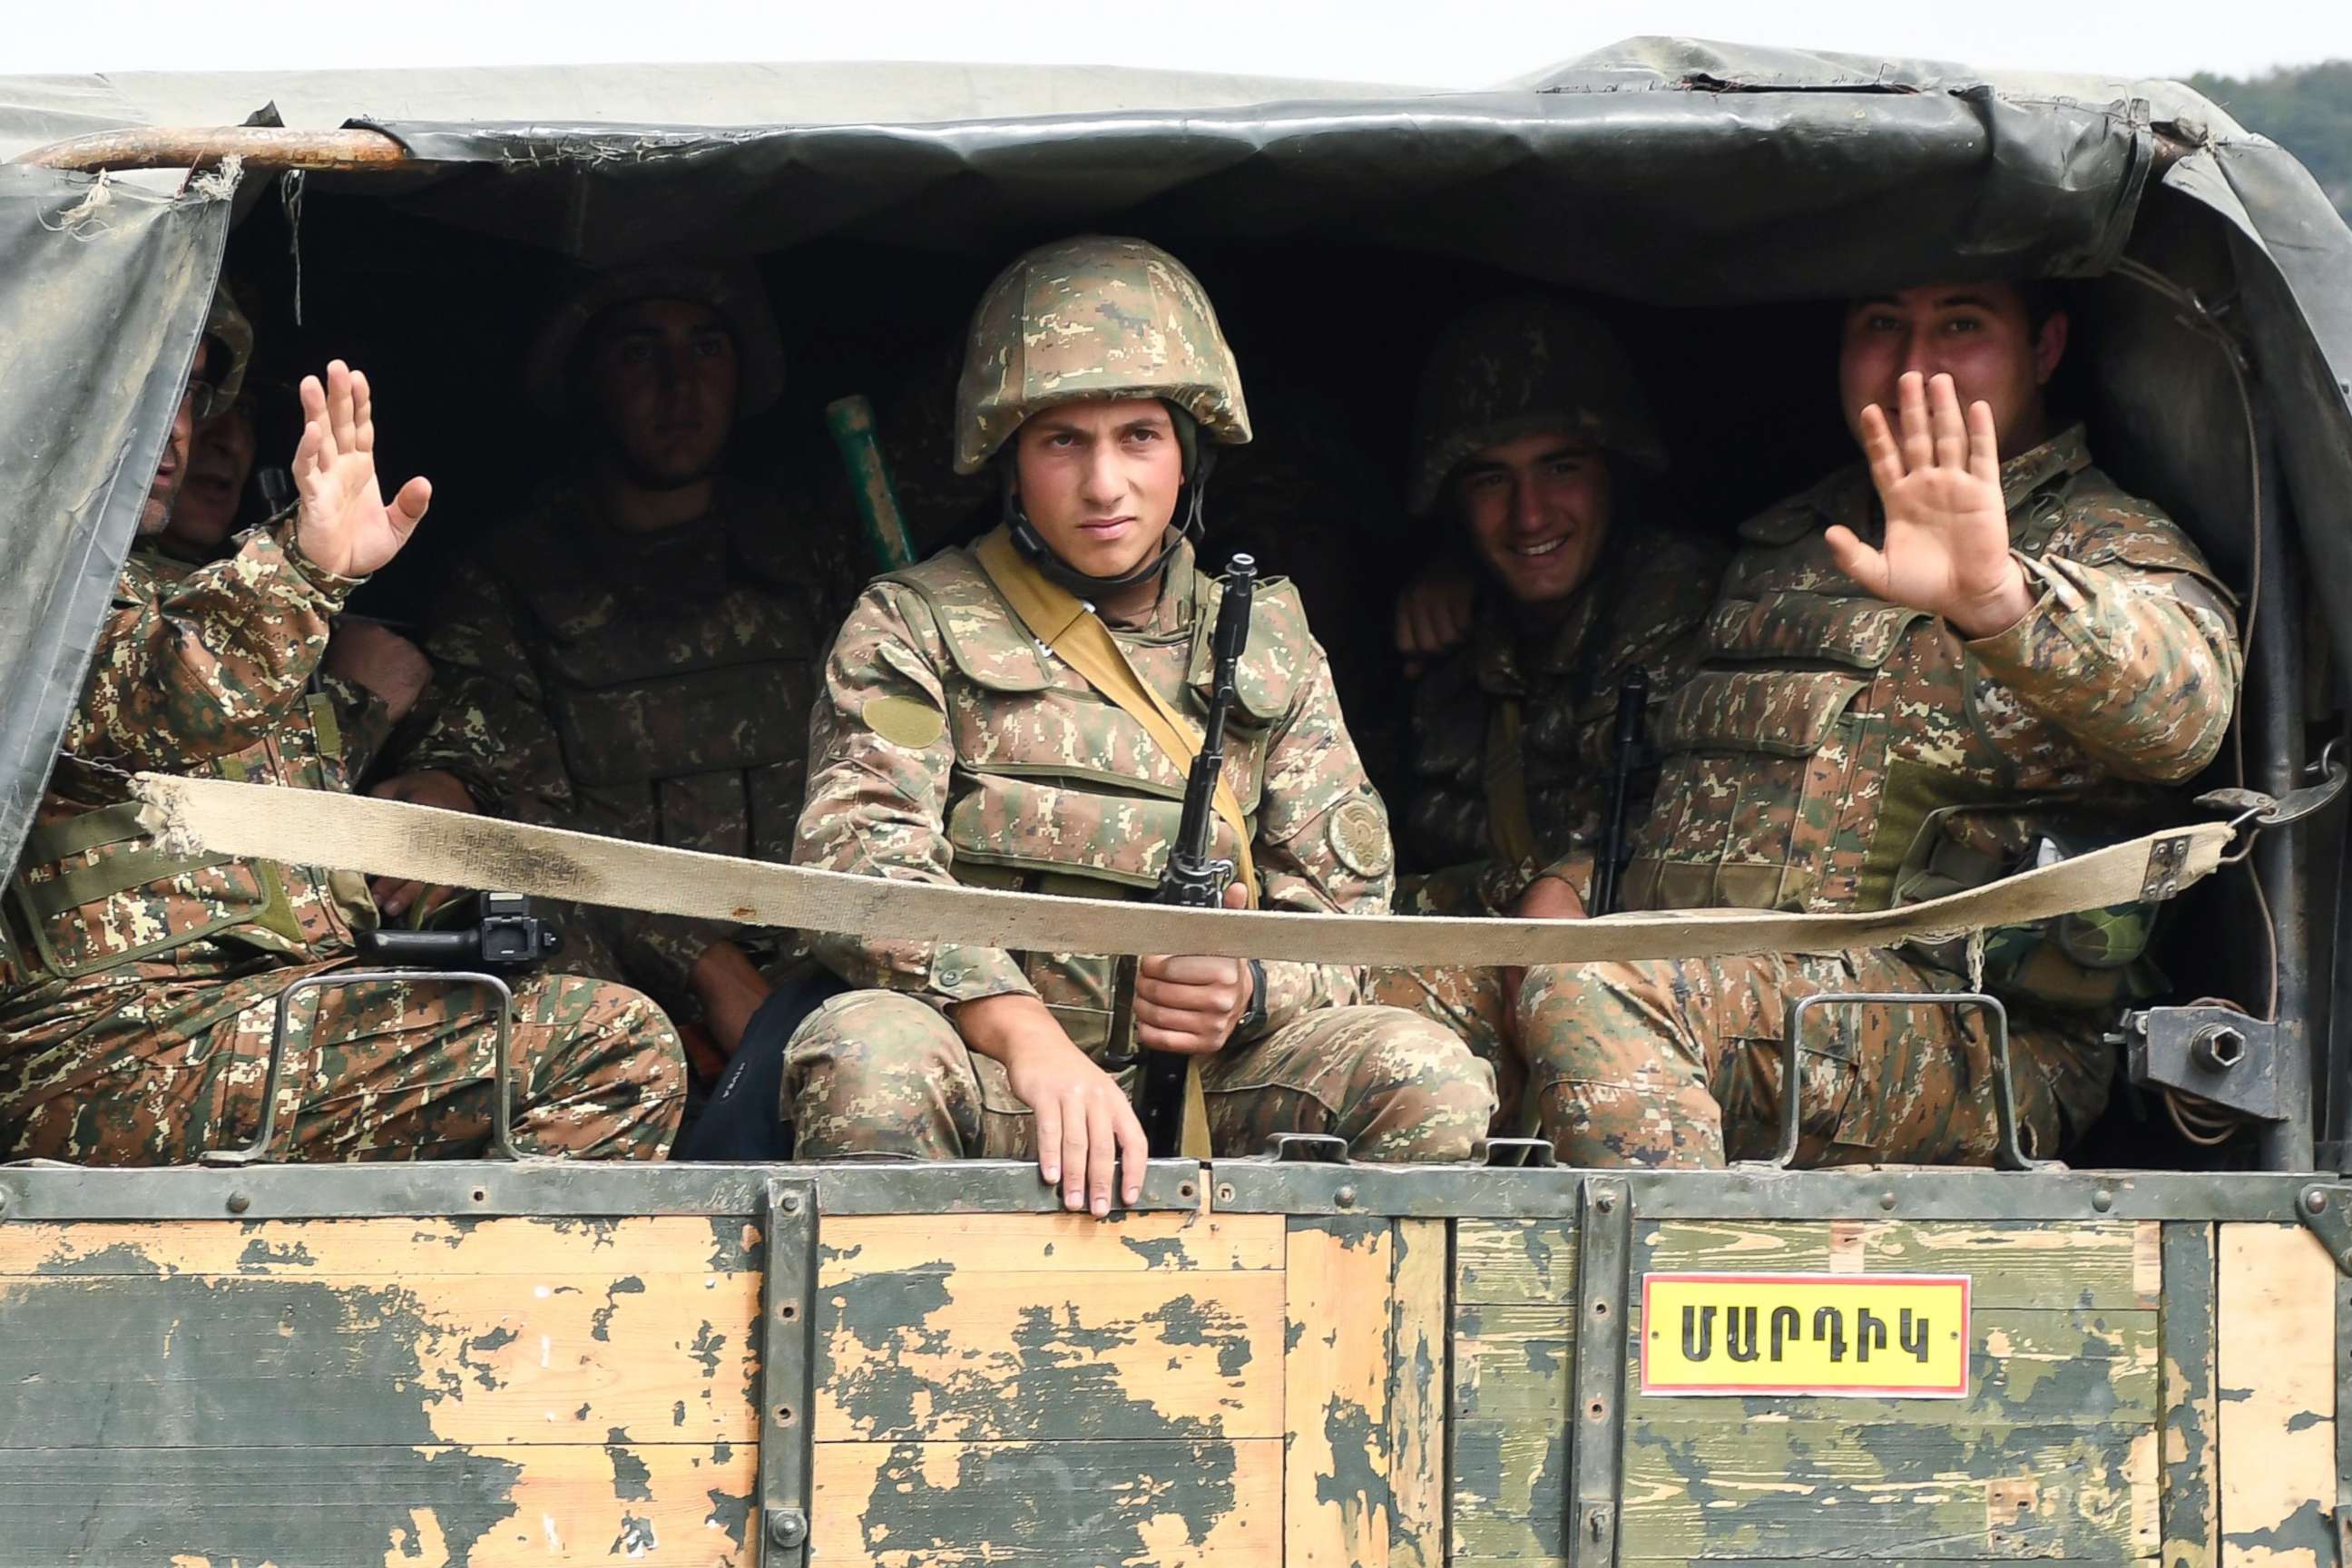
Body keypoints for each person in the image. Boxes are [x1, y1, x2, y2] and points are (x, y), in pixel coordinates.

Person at [785, 235, 1497, 1213]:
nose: (1105, 485)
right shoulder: (914, 623)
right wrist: (1024, 1036)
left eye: (1139, 436)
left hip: (1219, 1083)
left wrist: (1247, 991)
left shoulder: (1266, 641)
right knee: (868, 1049)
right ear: (1010, 462)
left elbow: (1347, 916)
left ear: (1188, 453)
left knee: (1425, 1072)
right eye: (1062, 441)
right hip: (993, 1069)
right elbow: (858, 859)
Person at [1511, 279, 2241, 1167]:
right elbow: (1703, 782)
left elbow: (2187, 719)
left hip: (1969, 1037)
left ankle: (1665, 1298)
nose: (1913, 364)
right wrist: (1584, 879)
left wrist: (2000, 602)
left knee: (1599, 992)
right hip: (1722, 984)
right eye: (1882, 325)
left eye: (1962, 325)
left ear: (2044, 350)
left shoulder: (2103, 538)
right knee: (1390, 999)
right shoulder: (1787, 541)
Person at [0, 306, 685, 1163]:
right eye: (151, 381)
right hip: (110, 1052)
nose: (179, 429)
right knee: (612, 1048)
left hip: (246, 1020)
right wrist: (308, 566)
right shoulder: (28, 577)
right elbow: (166, 697)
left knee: (569, 1009)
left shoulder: (186, 589)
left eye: (193, 391)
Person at [377, 264, 865, 1076]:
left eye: (707, 349)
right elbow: (521, 825)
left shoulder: (814, 549)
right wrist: (699, 961)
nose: (682, 386)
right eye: (643, 354)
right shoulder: (513, 578)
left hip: (824, 960)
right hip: (615, 987)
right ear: (589, 380)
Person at [1364, 298, 1725, 1126]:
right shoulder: (1448, 634)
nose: (1529, 515)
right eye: (1491, 479)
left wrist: (1568, 879)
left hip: (1640, 1023)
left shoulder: (1678, 599)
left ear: (1615, 472)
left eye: (1561, 467)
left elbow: (1695, 824)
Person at [153, 288, 435, 784]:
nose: (222, 437)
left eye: (242, 411)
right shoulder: (62, 584)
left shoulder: (282, 592)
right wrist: (357, 705)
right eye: (171, 390)